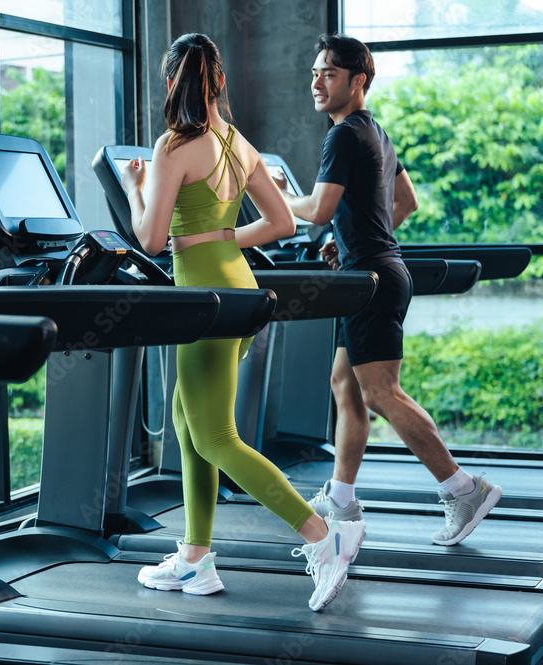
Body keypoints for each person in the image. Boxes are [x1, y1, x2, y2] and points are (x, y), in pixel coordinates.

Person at [120, 32, 365, 611]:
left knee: (213, 434)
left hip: (203, 299)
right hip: (241, 292)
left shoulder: (172, 147)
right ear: (220, 82)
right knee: (187, 425)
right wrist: (225, 235)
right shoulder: (237, 142)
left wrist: (135, 189)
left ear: (171, 82)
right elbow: (282, 222)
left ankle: (323, 537)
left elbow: (152, 239)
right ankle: (195, 559)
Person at [274, 33, 502, 546]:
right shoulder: (373, 129)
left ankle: (463, 489)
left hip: (371, 280)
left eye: (328, 74)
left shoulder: (342, 135)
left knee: (381, 392)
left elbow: (318, 209)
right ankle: (340, 497)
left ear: (358, 81)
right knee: (345, 385)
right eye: (314, 72)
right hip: (367, 271)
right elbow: (406, 200)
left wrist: (272, 198)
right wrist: (353, 242)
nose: (316, 82)